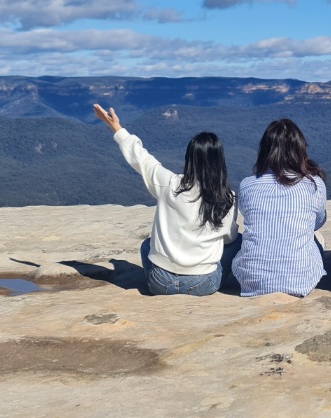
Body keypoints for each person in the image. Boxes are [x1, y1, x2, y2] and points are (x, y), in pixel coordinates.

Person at [92, 104, 238, 296]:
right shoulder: (227, 198)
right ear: (219, 162)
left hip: (160, 283)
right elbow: (230, 238)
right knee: (238, 242)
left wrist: (116, 128)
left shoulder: (170, 183)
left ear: (189, 158)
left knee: (147, 245)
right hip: (202, 284)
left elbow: (142, 160)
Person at [234, 118, 328, 297]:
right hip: (300, 282)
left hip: (252, 282)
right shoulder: (314, 184)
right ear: (300, 149)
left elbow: (248, 216)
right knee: (316, 238)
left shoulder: (247, 185)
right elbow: (318, 223)